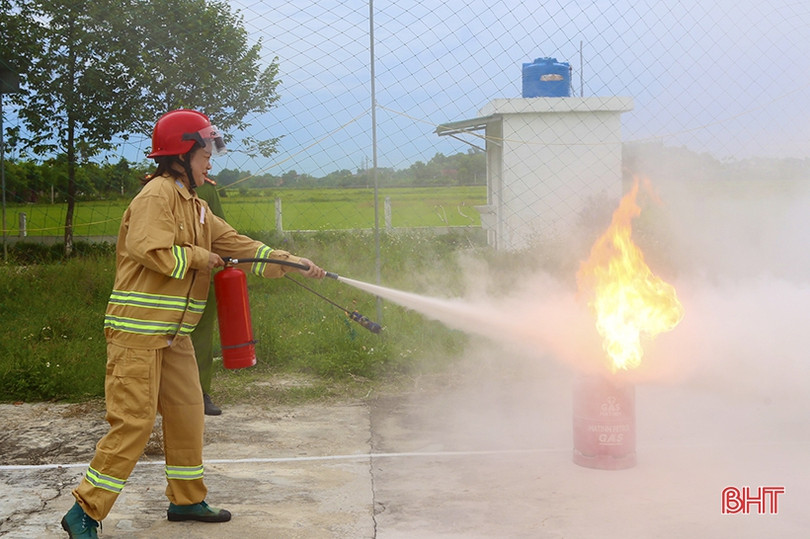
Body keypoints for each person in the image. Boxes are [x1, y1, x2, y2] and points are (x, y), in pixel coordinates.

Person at [60, 109, 325, 538]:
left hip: (173, 336)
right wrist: (202, 258)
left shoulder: (196, 207)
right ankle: (85, 510)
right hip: (138, 334)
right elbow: (153, 251)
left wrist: (289, 263)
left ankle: (186, 501)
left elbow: (236, 243)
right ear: (182, 153)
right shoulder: (156, 197)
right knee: (133, 423)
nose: (210, 161)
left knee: (187, 415)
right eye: (205, 153)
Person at [192, 177, 225, 416]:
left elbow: (221, 233)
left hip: (203, 277)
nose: (210, 165)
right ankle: (155, 394)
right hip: (166, 280)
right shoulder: (154, 190)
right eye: (204, 157)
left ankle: (200, 393)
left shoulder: (206, 189)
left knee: (202, 338)